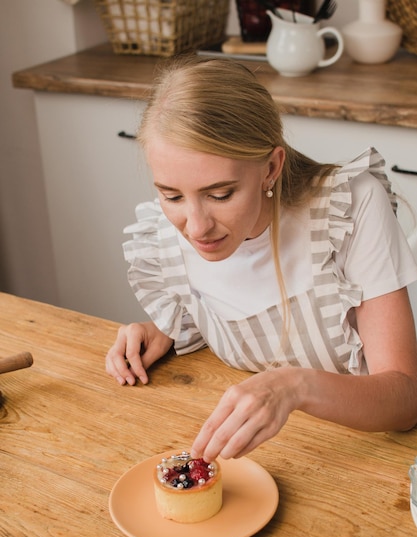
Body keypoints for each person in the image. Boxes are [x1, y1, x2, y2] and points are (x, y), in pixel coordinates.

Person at [106, 55, 417, 462]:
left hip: (360, 457)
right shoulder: (165, 235)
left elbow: (404, 398)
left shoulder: (349, 208)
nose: (196, 227)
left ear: (271, 167)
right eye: (171, 195)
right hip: (262, 458)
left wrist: (294, 387)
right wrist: (163, 329)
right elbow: (217, 316)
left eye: (221, 195)